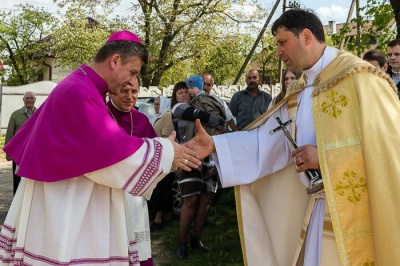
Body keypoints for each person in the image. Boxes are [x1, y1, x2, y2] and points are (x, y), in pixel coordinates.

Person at [185, 9, 400, 266]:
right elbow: (268, 141)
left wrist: (323, 156)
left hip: (358, 214)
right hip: (318, 209)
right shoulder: (302, 88)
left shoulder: (362, 79)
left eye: (282, 42)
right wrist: (215, 144)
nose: (278, 52)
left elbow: (389, 146)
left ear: (306, 36)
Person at [0, 30, 201, 265]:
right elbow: (109, 151)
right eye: (133, 71)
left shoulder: (83, 86)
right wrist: (168, 151)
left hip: (68, 199)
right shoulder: (80, 92)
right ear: (115, 61)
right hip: (67, 207)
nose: (131, 81)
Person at [172, 76, 225, 260]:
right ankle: (182, 242)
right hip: (189, 160)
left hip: (209, 160)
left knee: (205, 203)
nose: (186, 93)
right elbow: (198, 115)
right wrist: (213, 118)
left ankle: (197, 239)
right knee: (191, 201)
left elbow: (221, 123)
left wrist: (219, 123)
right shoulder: (178, 108)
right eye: (182, 90)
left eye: (189, 89)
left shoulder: (205, 102)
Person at [107, 76, 157, 265]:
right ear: (111, 91)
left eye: (134, 92)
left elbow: (154, 156)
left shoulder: (142, 120)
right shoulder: (99, 115)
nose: (130, 96)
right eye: (124, 91)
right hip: (105, 196)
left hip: (134, 197)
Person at [148, 95, 175, 232]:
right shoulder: (158, 116)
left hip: (164, 159)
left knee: (162, 190)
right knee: (162, 189)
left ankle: (159, 218)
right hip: (158, 158)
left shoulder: (167, 115)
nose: (155, 106)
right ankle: (167, 215)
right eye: (155, 104)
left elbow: (166, 137)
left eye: (158, 104)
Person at [4, 91, 37, 195]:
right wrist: (8, 151)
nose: (29, 100)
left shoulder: (40, 113)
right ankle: (16, 203)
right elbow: (9, 133)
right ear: (23, 100)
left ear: (35, 100)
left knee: (33, 178)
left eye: (31, 98)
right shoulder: (15, 115)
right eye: (27, 98)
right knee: (18, 177)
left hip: (34, 151)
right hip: (19, 153)